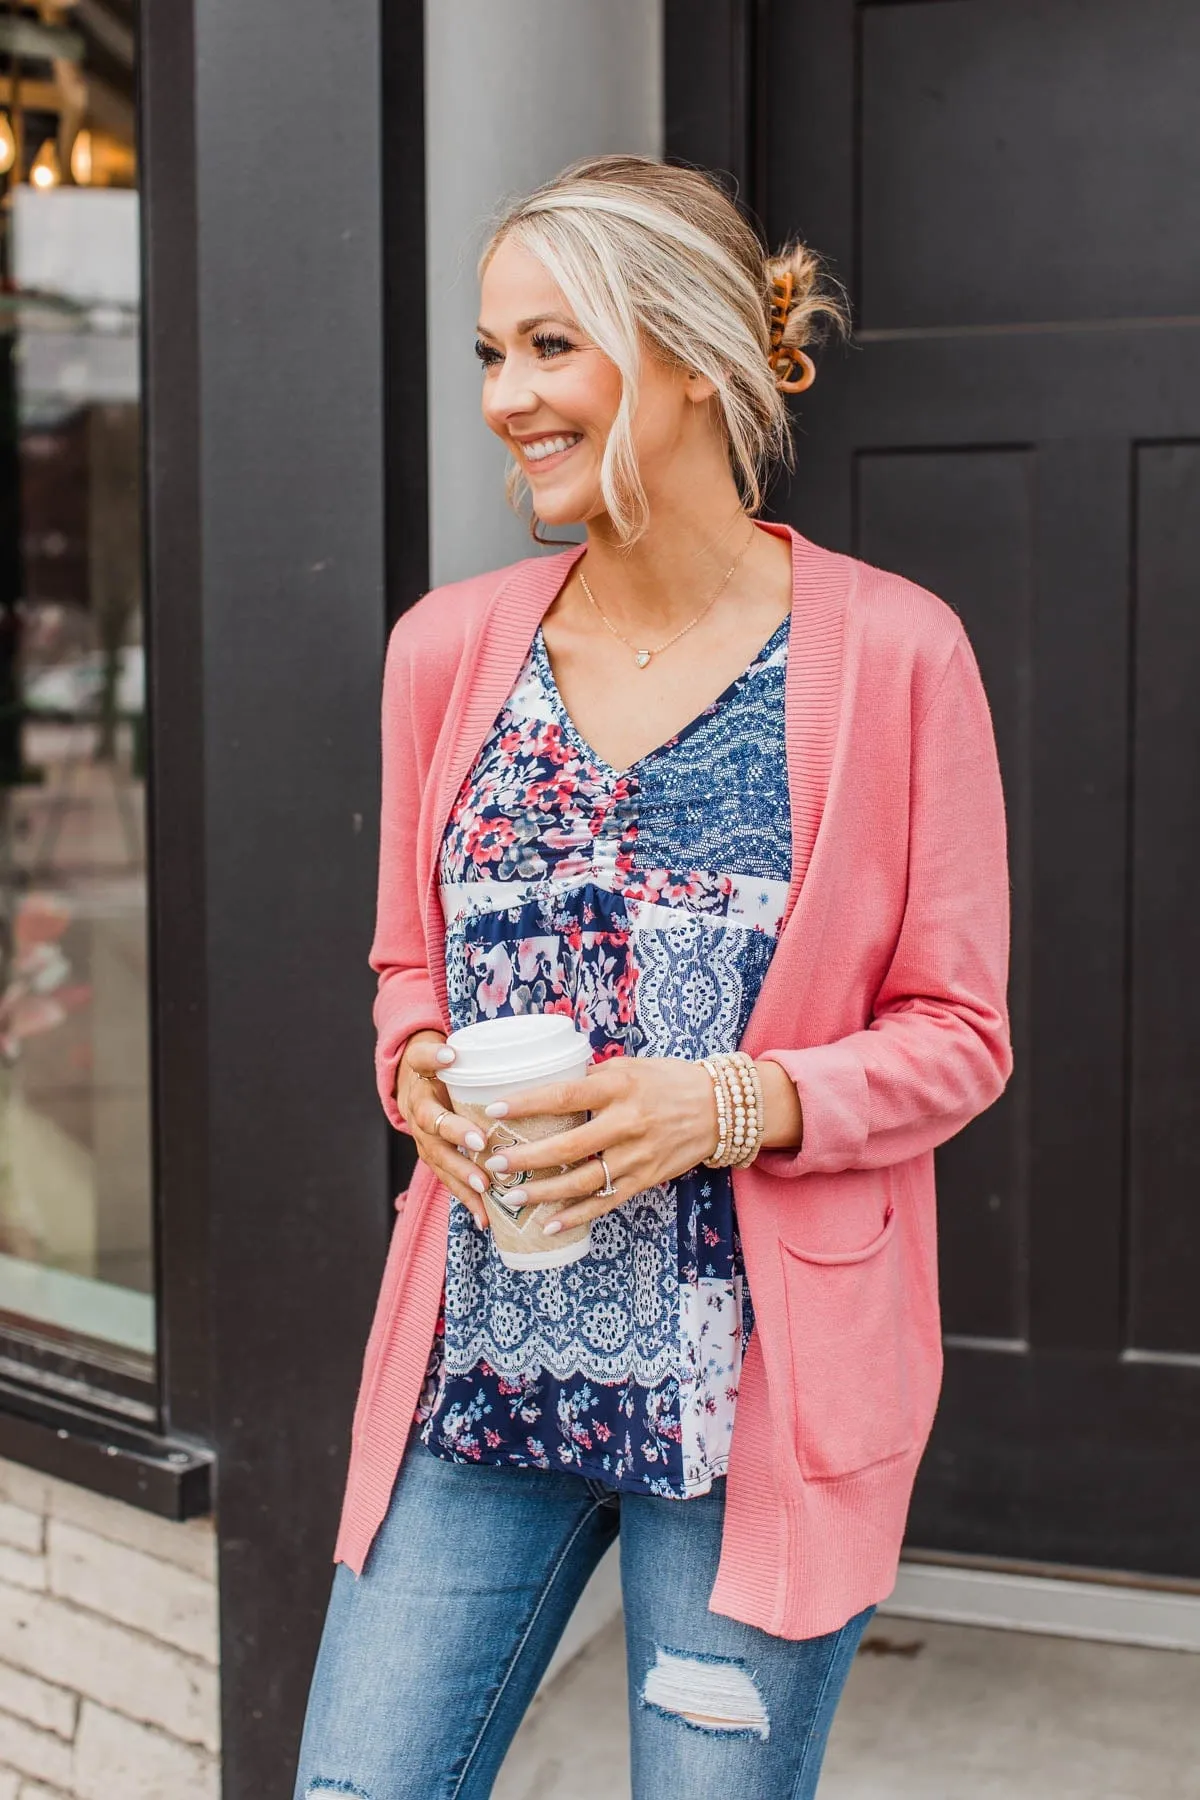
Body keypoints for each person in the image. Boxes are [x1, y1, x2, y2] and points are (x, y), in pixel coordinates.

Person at [294, 154, 1011, 1800]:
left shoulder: (898, 655)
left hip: (756, 1391)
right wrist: (413, 1068)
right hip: (482, 1363)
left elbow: (961, 1037)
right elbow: (413, 964)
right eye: (490, 355)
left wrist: (729, 1104)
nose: (504, 399)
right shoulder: (446, 650)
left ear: (691, 355)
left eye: (552, 348)